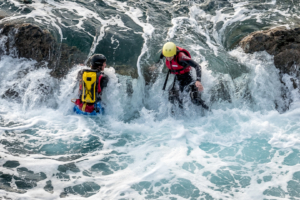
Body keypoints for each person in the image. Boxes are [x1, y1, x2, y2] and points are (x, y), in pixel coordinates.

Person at [159, 42, 209, 110]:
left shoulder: (181, 57)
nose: (168, 58)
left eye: (170, 56)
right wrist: (156, 64)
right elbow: (160, 58)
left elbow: (197, 66)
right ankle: (179, 117)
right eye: (166, 56)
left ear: (174, 53)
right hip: (178, 80)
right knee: (172, 98)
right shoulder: (165, 53)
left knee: (195, 100)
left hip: (189, 79)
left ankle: (209, 110)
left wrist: (198, 81)